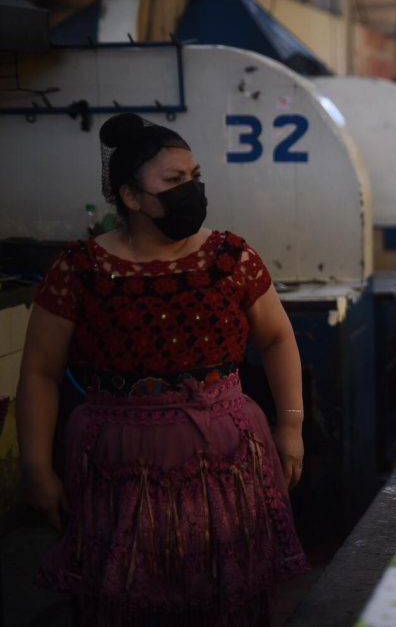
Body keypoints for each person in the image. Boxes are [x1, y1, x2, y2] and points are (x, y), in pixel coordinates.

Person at [16, 113, 307, 624]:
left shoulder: (231, 258)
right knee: (127, 597)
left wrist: (292, 425)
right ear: (131, 197)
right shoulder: (80, 269)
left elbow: (279, 337)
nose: (191, 191)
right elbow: (40, 372)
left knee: (227, 598)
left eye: (194, 177)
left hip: (227, 457)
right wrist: (37, 468)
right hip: (118, 463)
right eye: (174, 182)